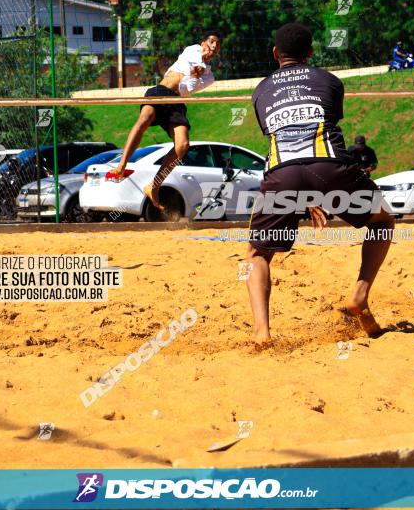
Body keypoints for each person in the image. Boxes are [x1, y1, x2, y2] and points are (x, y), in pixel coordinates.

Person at [246, 22, 394, 344]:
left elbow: (287, 141)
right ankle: (359, 295)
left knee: (258, 253)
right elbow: (318, 129)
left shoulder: (260, 90)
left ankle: (262, 332)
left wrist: (304, 196)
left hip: (282, 173)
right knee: (382, 221)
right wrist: (315, 194)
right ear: (311, 53)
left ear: (275, 53)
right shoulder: (329, 80)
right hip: (331, 166)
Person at [109, 31, 221, 208]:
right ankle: (122, 164)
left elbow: (186, 90)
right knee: (144, 119)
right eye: (211, 43)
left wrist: (194, 77)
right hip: (159, 91)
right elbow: (195, 61)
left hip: (176, 101)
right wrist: (195, 70)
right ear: (202, 43)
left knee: (182, 146)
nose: (213, 48)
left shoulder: (209, 77)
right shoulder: (192, 50)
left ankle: (154, 185)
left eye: (217, 46)